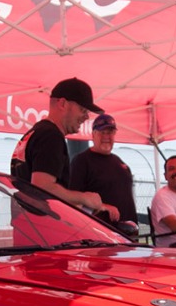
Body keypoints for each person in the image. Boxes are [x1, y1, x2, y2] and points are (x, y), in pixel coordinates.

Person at [10, 77, 116, 220]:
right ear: (63, 103)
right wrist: (84, 198)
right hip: (40, 226)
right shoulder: (51, 135)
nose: (86, 117)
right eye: (82, 109)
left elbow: (38, 192)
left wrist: (85, 207)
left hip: (25, 223)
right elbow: (42, 188)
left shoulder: (35, 132)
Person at [69, 113, 137, 230]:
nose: (106, 136)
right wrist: (103, 206)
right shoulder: (81, 161)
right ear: (93, 134)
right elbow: (72, 200)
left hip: (128, 233)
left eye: (110, 132)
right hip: (100, 233)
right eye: (102, 132)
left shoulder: (120, 163)